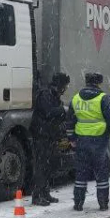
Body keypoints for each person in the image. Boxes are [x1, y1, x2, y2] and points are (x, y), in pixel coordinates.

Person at [66, 72, 110, 211]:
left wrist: (72, 139)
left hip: (81, 141)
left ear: (86, 82)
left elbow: (69, 122)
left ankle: (78, 203)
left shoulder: (75, 99)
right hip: (99, 142)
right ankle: (103, 203)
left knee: (81, 174)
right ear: (99, 83)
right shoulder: (104, 99)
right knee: (102, 174)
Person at [29, 72, 71, 206]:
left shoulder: (53, 95)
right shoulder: (45, 94)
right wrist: (62, 110)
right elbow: (49, 113)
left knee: (48, 165)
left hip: (49, 135)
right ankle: (37, 196)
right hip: (41, 135)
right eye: (64, 86)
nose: (65, 89)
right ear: (59, 84)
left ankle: (45, 192)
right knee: (41, 165)